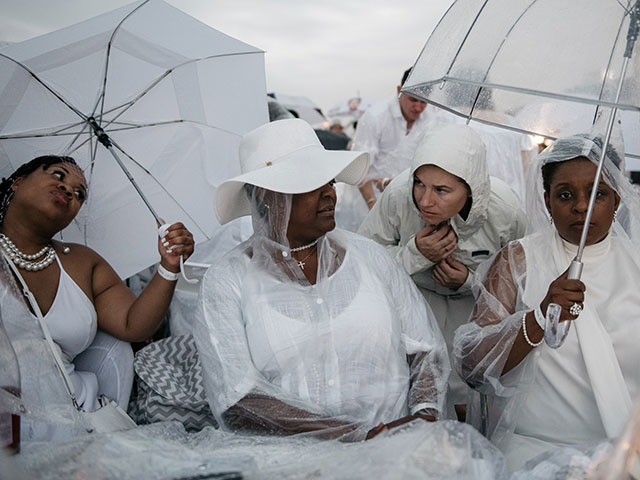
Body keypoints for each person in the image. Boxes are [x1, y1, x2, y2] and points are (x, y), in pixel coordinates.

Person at [194, 118, 451, 441]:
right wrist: (355, 435)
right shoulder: (226, 283)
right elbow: (237, 400)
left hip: (398, 455)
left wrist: (422, 419)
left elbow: (426, 351)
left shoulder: (370, 258)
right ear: (267, 196)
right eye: (313, 184)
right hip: (289, 467)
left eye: (329, 182)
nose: (330, 194)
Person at [453, 134, 640, 472]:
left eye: (597, 193)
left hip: (626, 455)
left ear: (617, 200)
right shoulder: (517, 261)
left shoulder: (637, 264)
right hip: (536, 455)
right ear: (547, 201)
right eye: (565, 195)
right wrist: (539, 317)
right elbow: (472, 365)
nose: (581, 206)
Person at [0, 155, 194, 443]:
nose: (69, 190)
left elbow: (134, 325)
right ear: (17, 183)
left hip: (76, 421)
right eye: (58, 175)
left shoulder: (82, 262)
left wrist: (168, 266)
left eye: (79, 194)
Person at [358, 124, 526, 420]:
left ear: (471, 187)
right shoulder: (398, 196)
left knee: (471, 408)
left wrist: (470, 282)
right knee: (417, 404)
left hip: (475, 320)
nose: (425, 200)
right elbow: (362, 262)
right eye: (420, 183)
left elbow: (523, 282)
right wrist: (414, 254)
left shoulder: (504, 211)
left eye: (442, 190)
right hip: (412, 313)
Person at [352, 68, 437, 211]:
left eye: (423, 102)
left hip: (408, 201)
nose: (418, 107)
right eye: (413, 99)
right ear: (400, 90)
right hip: (370, 198)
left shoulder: (430, 119)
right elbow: (359, 168)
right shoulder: (376, 117)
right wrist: (372, 204)